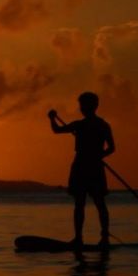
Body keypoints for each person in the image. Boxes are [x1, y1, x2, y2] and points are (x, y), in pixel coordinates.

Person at [48, 92, 115, 248]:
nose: (82, 108)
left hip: (92, 167)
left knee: (98, 203)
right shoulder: (80, 125)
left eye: (84, 105)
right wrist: (52, 119)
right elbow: (57, 130)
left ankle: (104, 238)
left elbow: (111, 148)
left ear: (93, 106)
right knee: (80, 204)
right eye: (82, 105)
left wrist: (98, 156)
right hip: (81, 167)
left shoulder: (102, 125)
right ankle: (79, 238)